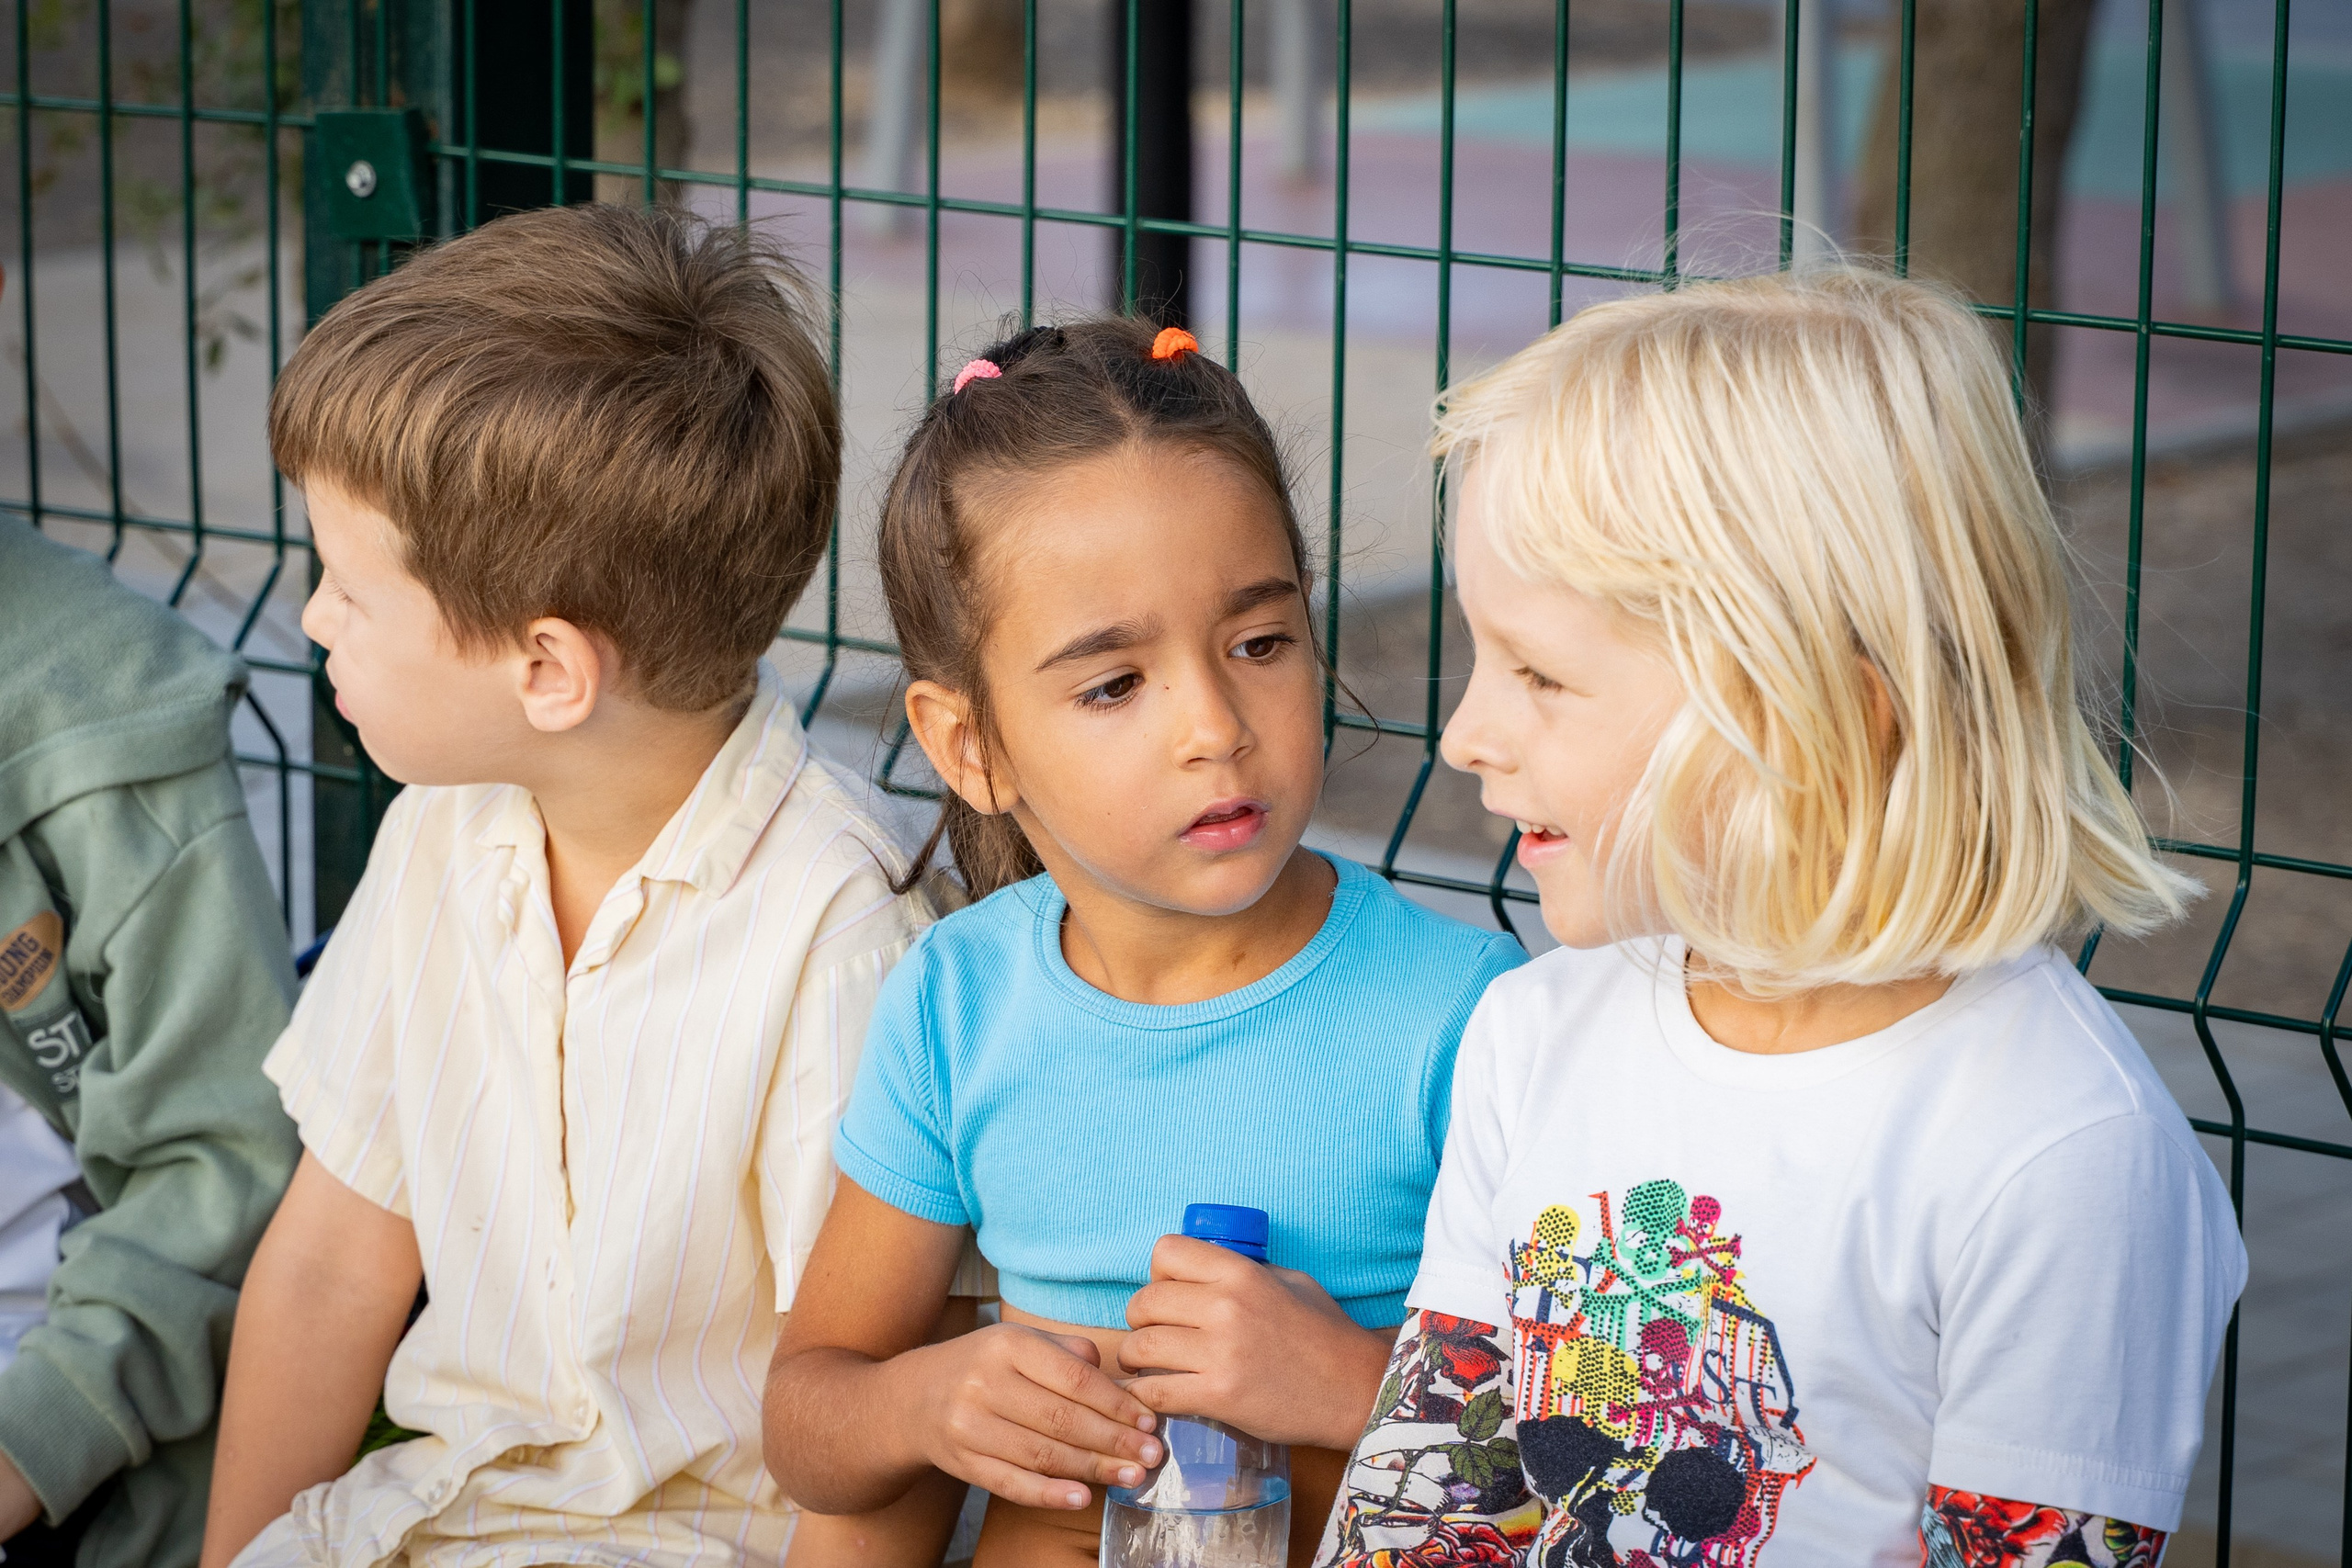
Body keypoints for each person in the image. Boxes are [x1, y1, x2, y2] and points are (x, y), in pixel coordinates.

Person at [1315, 267, 2247, 1568]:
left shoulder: (2062, 1155)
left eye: (1542, 672)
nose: (1467, 733)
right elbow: (1428, 1512)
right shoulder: (1529, 1038)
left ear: (1810, 718)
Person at [199, 203, 938, 1568]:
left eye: (348, 588)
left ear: (548, 668)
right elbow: (330, 1262)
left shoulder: (840, 929)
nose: (311, 618)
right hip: (419, 1518)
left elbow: (875, 1421)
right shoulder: (443, 829)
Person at [760, 319, 1528, 1568]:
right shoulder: (959, 1000)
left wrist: (1345, 1381)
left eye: (1260, 642)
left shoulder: (1465, 1013)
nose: (1216, 725)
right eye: (1115, 683)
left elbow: (1579, 1460)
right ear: (971, 747)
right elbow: (809, 1421)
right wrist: (933, 1399)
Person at [0, 521, 300, 1568]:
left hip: (55, 1423)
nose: (313, 621)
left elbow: (224, 1164)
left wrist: (27, 1446)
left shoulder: (96, 707)